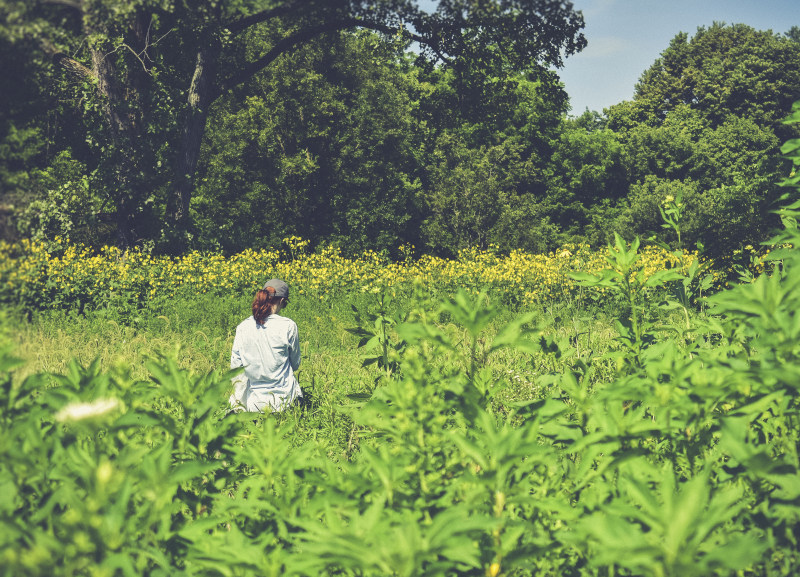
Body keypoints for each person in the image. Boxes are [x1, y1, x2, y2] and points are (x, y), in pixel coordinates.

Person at [229, 278, 302, 413]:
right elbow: (295, 364)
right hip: (282, 403)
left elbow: (236, 367)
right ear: (281, 301)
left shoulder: (243, 327)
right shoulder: (288, 326)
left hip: (252, 404)